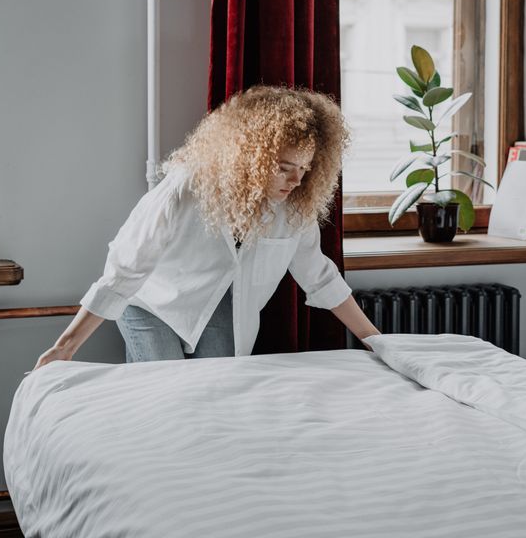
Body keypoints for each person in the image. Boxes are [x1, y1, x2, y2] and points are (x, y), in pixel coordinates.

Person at [34, 86, 380, 369]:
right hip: (153, 303)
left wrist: (377, 342)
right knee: (165, 394)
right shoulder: (187, 187)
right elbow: (125, 269)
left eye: (304, 169)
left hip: (221, 306)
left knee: (214, 394)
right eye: (284, 167)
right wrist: (65, 347)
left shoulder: (294, 206)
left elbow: (319, 276)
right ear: (250, 156)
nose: (296, 180)